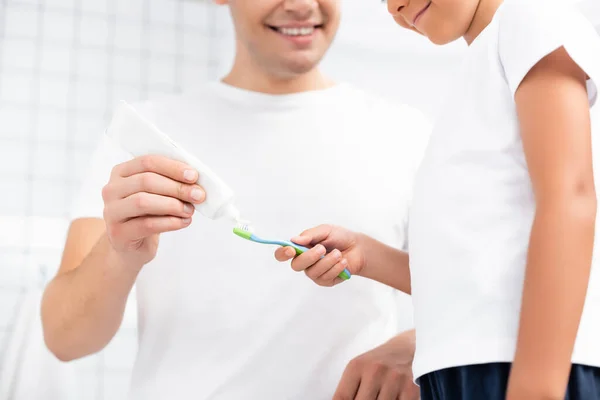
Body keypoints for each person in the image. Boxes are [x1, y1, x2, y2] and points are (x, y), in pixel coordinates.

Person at [40, 0, 431, 399]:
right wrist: (120, 253)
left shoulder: (408, 135)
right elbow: (64, 339)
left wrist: (416, 345)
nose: (301, 5)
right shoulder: (146, 141)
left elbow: (479, 297)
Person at [275, 0, 600, 399]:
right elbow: (475, 272)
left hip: (525, 367)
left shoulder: (530, 20)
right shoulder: (480, 72)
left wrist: (538, 385)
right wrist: (365, 255)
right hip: (461, 371)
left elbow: (570, 197)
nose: (394, 6)